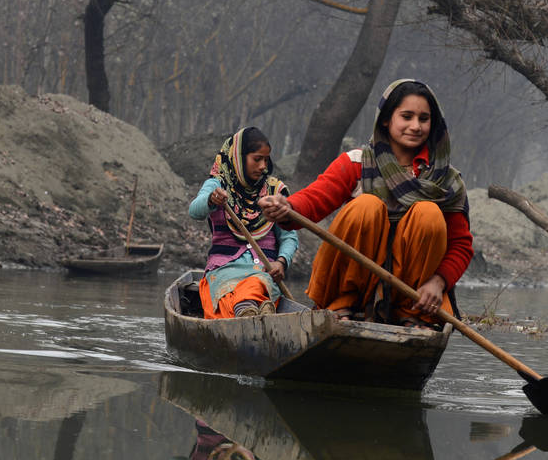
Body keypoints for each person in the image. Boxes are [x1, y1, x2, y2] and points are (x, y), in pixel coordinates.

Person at [259, 79, 472, 327]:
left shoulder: (446, 180)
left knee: (428, 213)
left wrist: (439, 282)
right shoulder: (357, 163)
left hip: (416, 303)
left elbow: (461, 245)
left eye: (424, 119)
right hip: (349, 302)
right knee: (366, 206)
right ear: (385, 119)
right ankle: (341, 304)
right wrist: (287, 206)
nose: (415, 126)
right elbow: (316, 198)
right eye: (406, 116)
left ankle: (410, 314)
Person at [189, 127, 297, 318]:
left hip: (264, 273)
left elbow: (289, 236)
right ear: (239, 158)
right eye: (257, 159)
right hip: (223, 272)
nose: (263, 166)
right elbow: (194, 211)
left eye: (266, 160)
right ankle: (248, 310)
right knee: (224, 301)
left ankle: (247, 309)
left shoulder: (275, 191)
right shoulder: (218, 184)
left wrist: (281, 263)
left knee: (256, 284)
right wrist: (211, 200)